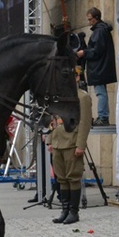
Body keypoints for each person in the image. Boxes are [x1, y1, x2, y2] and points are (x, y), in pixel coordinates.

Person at [48, 71, 92, 225]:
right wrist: (49, 140)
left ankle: (74, 211)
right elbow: (53, 121)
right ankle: (64, 210)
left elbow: (85, 123)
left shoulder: (83, 97)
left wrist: (80, 145)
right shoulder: (59, 96)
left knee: (73, 177)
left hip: (72, 142)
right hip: (58, 142)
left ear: (77, 78)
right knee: (61, 178)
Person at [77, 7, 117, 126]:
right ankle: (103, 116)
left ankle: (103, 117)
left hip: (99, 68)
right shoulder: (102, 30)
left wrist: (84, 53)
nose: (89, 22)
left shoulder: (99, 31)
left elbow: (97, 50)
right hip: (101, 67)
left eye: (90, 19)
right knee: (101, 92)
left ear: (96, 18)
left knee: (100, 93)